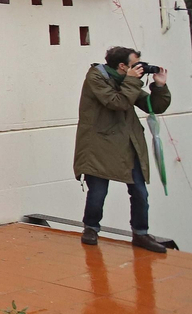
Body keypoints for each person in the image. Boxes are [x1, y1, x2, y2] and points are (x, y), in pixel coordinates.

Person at [74, 46, 172, 252]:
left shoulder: (125, 80)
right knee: (98, 192)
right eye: (136, 64)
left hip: (128, 143)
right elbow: (116, 102)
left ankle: (141, 234)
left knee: (139, 191)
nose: (140, 68)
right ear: (122, 65)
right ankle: (90, 229)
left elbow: (152, 106)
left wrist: (160, 87)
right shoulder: (95, 78)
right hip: (99, 145)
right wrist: (132, 80)